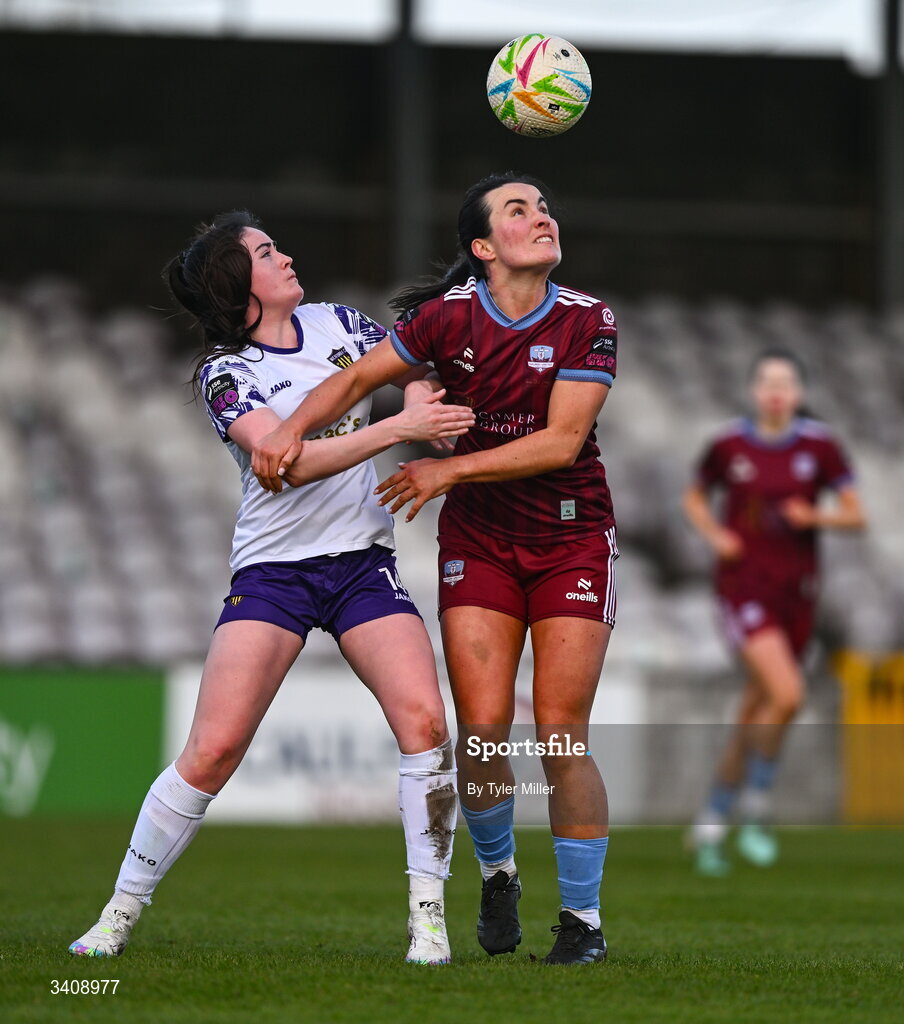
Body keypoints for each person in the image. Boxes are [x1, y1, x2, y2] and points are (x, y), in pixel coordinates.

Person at [68, 211, 475, 964]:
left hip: (361, 563)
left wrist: (428, 403)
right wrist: (394, 429)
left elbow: (411, 370)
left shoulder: (339, 325)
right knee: (213, 751)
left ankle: (428, 924)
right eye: (265, 251)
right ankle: (117, 916)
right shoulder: (228, 374)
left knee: (425, 725)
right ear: (237, 283)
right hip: (274, 575)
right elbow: (280, 463)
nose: (285, 255)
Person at [251, 174, 618, 964]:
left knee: (560, 735)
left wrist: (444, 471)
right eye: (518, 209)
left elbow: (560, 444)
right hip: (481, 544)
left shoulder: (589, 319)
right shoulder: (444, 319)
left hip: (570, 539)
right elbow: (353, 380)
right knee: (482, 737)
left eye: (545, 205)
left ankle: (581, 924)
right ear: (484, 248)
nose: (541, 215)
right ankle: (497, 875)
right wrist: (289, 434)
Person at [682, 348, 867, 876]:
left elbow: (856, 513)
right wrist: (716, 535)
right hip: (743, 588)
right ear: (753, 391)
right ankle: (758, 805)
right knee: (788, 692)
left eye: (785, 381)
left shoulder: (820, 446)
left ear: (800, 393)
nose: (775, 390)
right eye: (766, 381)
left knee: (755, 707)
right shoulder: (728, 443)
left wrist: (817, 515)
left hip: (797, 592)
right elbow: (694, 497)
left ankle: (713, 818)